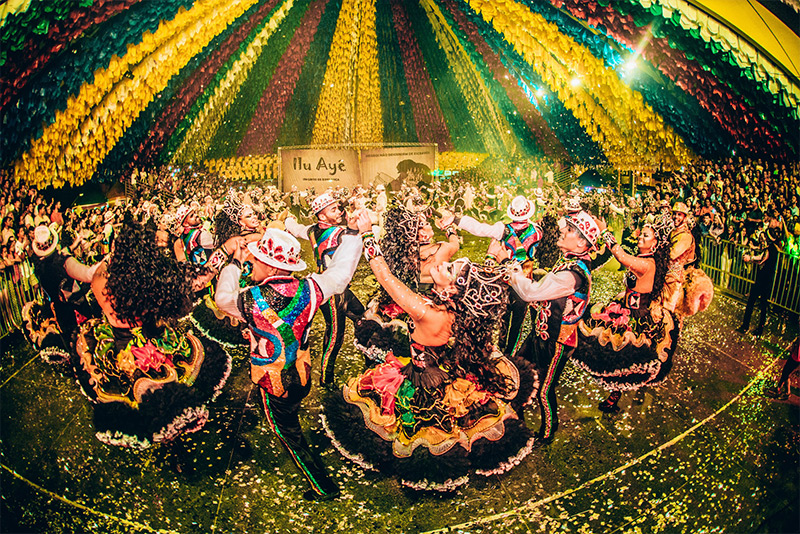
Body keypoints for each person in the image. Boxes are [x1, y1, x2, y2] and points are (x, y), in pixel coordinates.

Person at [324, 212, 535, 490]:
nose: (441, 265)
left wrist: (366, 235)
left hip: (423, 379)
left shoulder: (426, 312)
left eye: (448, 269)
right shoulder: (455, 309)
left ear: (451, 289)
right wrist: (495, 258)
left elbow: (385, 276)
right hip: (442, 371)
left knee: (412, 428)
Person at [215, 225, 363, 501]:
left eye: (256, 259)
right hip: (302, 375)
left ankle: (324, 487)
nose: (252, 262)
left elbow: (222, 298)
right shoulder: (311, 288)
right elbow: (340, 275)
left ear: (271, 269)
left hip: (274, 385)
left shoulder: (248, 299)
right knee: (290, 423)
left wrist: (234, 264)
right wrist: (354, 234)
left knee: (288, 434)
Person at [72, 216, 231, 451]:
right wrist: (227, 252)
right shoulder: (142, 282)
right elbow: (200, 280)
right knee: (169, 385)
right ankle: (169, 429)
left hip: (117, 344)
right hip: (146, 344)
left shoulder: (100, 276)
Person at [498, 210, 599, 445]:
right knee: (517, 373)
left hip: (557, 342)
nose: (563, 230)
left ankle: (548, 432)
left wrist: (507, 263)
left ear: (582, 242)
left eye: (571, 230)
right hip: (540, 334)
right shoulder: (569, 261)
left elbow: (530, 292)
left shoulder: (573, 274)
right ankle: (517, 419)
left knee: (544, 390)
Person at [570, 214, 679, 413]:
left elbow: (620, 256)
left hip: (637, 319)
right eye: (641, 234)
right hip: (625, 310)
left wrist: (604, 232)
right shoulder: (643, 260)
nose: (640, 237)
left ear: (655, 243)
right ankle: (614, 394)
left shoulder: (648, 264)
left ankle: (615, 396)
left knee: (623, 357)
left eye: (646, 236)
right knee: (618, 360)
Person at [439, 195, 542, 356]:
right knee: (518, 322)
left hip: (506, 279)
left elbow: (479, 228)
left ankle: (500, 350)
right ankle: (510, 353)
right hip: (525, 279)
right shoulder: (537, 231)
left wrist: (456, 219)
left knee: (504, 317)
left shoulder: (504, 229)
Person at [284, 192, 365, 386]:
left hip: (334, 289)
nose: (339, 211)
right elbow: (362, 236)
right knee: (335, 336)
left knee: (363, 318)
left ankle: (371, 357)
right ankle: (326, 379)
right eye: (334, 209)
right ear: (322, 216)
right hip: (332, 294)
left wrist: (287, 219)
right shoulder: (340, 234)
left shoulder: (312, 230)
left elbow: (296, 229)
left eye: (338, 208)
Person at [737, 214, 783, 337]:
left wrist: (749, 258)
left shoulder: (770, 250)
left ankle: (746, 326)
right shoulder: (773, 248)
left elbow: (761, 259)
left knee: (754, 302)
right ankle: (758, 329)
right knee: (762, 306)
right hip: (766, 281)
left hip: (763, 281)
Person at [661, 202, 696, 313]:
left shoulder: (685, 236)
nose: (676, 217)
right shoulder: (674, 232)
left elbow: (672, 254)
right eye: (675, 214)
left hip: (675, 279)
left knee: (669, 310)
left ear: (685, 217)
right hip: (666, 275)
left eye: (679, 214)